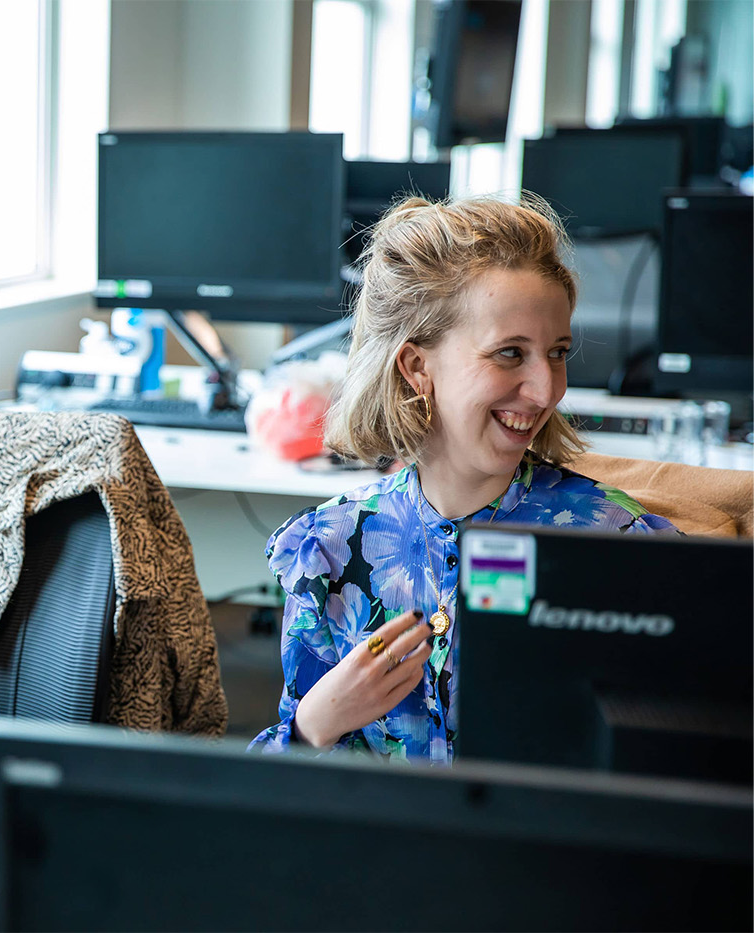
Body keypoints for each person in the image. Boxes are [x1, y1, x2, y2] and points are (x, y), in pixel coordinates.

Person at [248, 195, 676, 763]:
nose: (546, 390)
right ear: (417, 367)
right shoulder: (328, 550)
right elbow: (270, 798)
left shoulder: (618, 541)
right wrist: (314, 723)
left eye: (557, 353)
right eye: (509, 354)